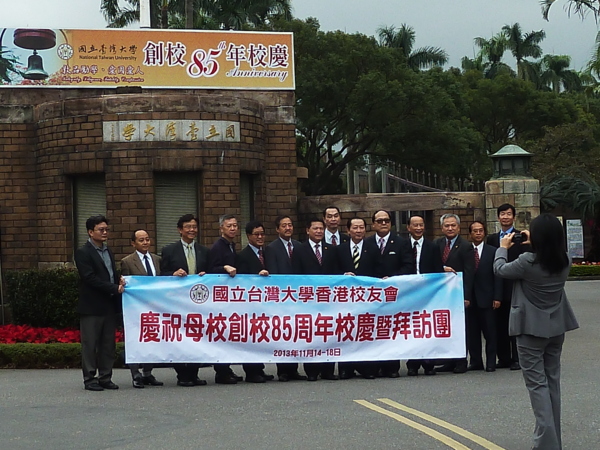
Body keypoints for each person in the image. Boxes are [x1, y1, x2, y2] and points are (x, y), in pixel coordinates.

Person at [494, 213, 578, 450]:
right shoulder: (565, 260)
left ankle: (546, 444)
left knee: (537, 385)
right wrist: (536, 242)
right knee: (552, 383)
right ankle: (553, 441)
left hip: (530, 329)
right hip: (556, 327)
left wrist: (502, 248)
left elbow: (500, 269)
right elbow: (547, 253)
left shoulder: (527, 262)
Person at [75, 215, 124, 391]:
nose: (105, 233)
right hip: (92, 306)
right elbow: (89, 278)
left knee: (108, 344)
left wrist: (119, 282)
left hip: (109, 304)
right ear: (90, 232)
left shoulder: (108, 250)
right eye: (101, 230)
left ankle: (105, 377)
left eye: (106, 230)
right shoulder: (83, 252)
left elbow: (110, 274)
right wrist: (113, 287)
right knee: (90, 344)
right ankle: (90, 379)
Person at [160, 214, 209, 387]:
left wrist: (206, 275)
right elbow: (161, 275)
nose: (191, 230)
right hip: (177, 302)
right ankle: (182, 374)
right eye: (188, 227)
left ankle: (194, 373)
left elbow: (211, 274)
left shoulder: (204, 251)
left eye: (194, 227)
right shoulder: (169, 250)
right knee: (178, 337)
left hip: (197, 302)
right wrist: (173, 274)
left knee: (197, 336)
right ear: (180, 230)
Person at [364, 209, 413, 378]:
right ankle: (373, 367)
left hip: (394, 294)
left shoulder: (401, 243)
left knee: (391, 330)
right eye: (379, 221)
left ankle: (391, 367)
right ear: (373, 224)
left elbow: (408, 266)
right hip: (372, 295)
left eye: (386, 220)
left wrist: (392, 279)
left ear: (391, 223)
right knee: (373, 330)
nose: (383, 223)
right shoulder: (367, 243)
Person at [292, 217, 338, 381]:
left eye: (321, 229)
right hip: (308, 300)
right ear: (307, 230)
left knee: (328, 333)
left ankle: (328, 370)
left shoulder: (331, 249)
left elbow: (336, 274)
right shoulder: (299, 250)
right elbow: (296, 275)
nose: (319, 231)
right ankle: (311, 370)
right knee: (311, 334)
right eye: (315, 228)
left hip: (328, 299)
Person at [265, 215, 307, 382]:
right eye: (284, 225)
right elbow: (273, 273)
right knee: (282, 333)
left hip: (298, 296)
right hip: (281, 297)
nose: (288, 228)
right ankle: (282, 370)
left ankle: (294, 369)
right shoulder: (271, 248)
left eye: (290, 225)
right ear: (277, 229)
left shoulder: (299, 246)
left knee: (296, 333)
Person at [120, 229, 164, 388]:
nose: (145, 243)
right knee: (135, 339)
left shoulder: (157, 259)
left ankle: (147, 372)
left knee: (151, 338)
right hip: (135, 308)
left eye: (147, 239)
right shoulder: (127, 261)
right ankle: (135, 374)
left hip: (155, 307)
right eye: (141, 240)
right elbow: (126, 285)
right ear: (133, 243)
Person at [486, 203, 527, 371]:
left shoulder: (521, 237)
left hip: (515, 286)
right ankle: (503, 358)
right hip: (497, 288)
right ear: (498, 217)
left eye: (509, 214)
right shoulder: (492, 239)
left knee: (516, 325)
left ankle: (517, 358)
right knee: (499, 325)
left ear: (514, 217)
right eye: (502, 214)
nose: (505, 217)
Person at [334, 217, 376, 380]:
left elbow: (379, 271)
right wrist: (343, 275)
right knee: (346, 332)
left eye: (361, 228)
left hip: (366, 299)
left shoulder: (373, 248)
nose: (358, 231)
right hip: (345, 300)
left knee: (365, 333)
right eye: (355, 228)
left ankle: (366, 367)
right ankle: (346, 368)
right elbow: (331, 271)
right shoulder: (339, 250)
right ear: (348, 230)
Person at [434, 213, 474, 374]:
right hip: (441, 295)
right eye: (447, 226)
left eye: (453, 225)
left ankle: (461, 361)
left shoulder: (466, 246)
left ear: (458, 227)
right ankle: (449, 361)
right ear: (442, 228)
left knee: (460, 328)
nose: (450, 228)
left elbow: (470, 273)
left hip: (458, 294)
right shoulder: (437, 244)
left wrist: (467, 296)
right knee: (447, 327)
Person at [236, 220, 275, 383]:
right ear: (248, 236)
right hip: (250, 302)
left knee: (262, 336)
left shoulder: (268, 252)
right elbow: (241, 280)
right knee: (251, 336)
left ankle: (260, 368)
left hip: (267, 301)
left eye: (262, 234)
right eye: (256, 234)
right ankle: (251, 371)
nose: (260, 237)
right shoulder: (242, 256)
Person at [405, 215, 444, 377]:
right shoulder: (402, 246)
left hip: (428, 294)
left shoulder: (432, 247)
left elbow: (438, 271)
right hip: (408, 293)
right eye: (415, 225)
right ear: (408, 227)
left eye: (421, 225)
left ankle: (429, 363)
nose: (419, 228)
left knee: (427, 327)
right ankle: (412, 364)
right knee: (411, 329)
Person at [208, 214, 243, 384]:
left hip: (230, 296)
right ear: (221, 228)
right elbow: (210, 270)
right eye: (229, 226)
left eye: (235, 225)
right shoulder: (218, 247)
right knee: (221, 333)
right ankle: (221, 371)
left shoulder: (231, 245)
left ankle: (226, 368)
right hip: (220, 296)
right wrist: (224, 268)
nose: (233, 229)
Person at [466, 221, 501, 373]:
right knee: (472, 333)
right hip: (470, 300)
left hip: (488, 298)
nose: (478, 233)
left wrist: (497, 297)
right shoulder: (465, 251)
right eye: (475, 231)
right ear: (470, 234)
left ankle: (491, 362)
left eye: (481, 230)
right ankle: (475, 361)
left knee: (490, 333)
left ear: (484, 233)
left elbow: (498, 275)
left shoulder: (493, 251)